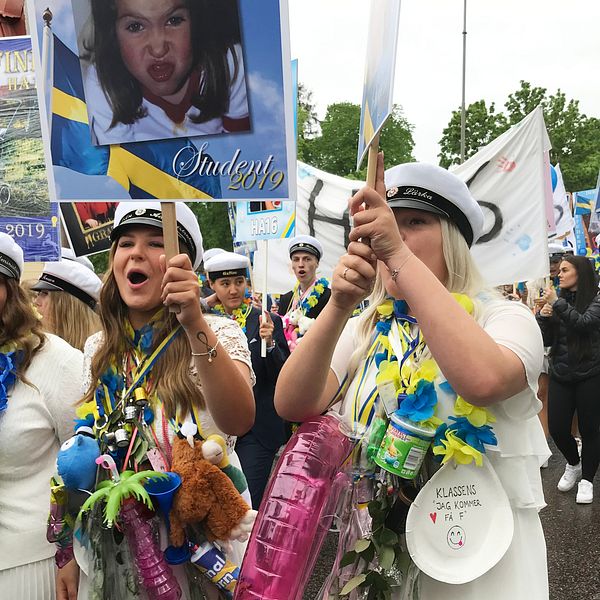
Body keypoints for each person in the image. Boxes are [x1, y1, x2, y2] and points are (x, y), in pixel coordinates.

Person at [275, 158, 550, 598]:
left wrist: (398, 254)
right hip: (379, 552)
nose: (390, 235)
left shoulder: (504, 317)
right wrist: (339, 304)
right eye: (386, 223)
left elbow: (483, 380)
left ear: (454, 240)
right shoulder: (366, 328)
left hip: (477, 556)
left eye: (414, 222)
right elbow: (292, 404)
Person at [54, 201, 255, 600]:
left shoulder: (219, 331)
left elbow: (238, 420)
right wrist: (68, 553)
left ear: (184, 264)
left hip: (205, 539)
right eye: (125, 243)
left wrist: (194, 322)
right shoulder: (98, 347)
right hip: (121, 540)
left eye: (155, 242)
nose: (137, 253)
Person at [0, 233, 84, 599]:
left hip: (35, 568)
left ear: (8, 290)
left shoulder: (54, 360)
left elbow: (92, 465)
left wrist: (70, 551)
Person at [82, 0, 250, 145]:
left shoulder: (231, 63)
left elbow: (245, 151)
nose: (158, 49)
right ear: (113, 35)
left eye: (174, 20)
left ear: (197, 20)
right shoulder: (103, 84)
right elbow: (121, 172)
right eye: (135, 26)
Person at [205, 251, 289, 508]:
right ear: (212, 284)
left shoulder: (266, 320)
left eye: (239, 282)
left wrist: (271, 343)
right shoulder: (205, 323)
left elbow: (283, 376)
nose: (233, 290)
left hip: (257, 430)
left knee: (246, 503)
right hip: (215, 429)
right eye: (224, 284)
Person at [537, 254, 600, 504]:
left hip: (591, 373)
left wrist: (557, 305)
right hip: (561, 373)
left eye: (564, 270)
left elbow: (584, 324)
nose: (559, 274)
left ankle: (587, 480)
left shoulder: (596, 298)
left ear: (580, 273)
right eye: (559, 270)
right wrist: (543, 316)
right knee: (558, 429)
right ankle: (573, 463)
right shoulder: (558, 302)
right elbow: (548, 340)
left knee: (590, 429)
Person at [32, 258, 102, 351]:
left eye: (45, 293)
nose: (36, 301)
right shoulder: (34, 347)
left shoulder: (100, 356)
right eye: (39, 293)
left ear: (67, 306)